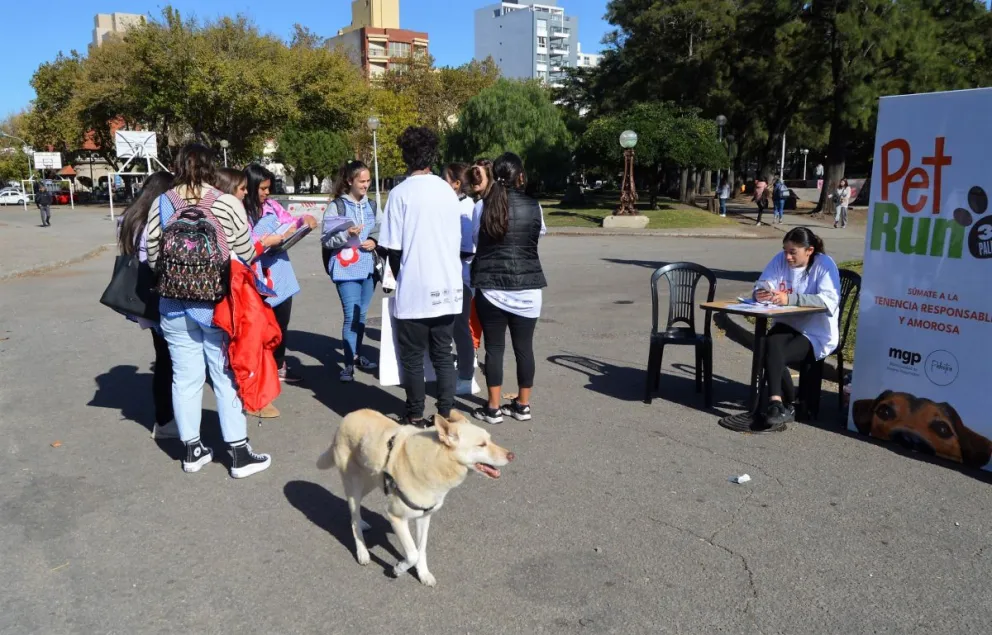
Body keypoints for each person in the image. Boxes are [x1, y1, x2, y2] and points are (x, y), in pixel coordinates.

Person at [145, 143, 272, 478]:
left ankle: (192, 450)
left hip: (172, 303)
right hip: (217, 305)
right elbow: (246, 251)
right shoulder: (226, 202)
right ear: (210, 167)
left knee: (184, 377)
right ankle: (239, 453)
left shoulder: (163, 202)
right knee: (224, 374)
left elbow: (155, 256)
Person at [378, 126, 463, 427]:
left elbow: (391, 249)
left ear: (405, 157)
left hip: (415, 288)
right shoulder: (448, 191)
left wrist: (392, 284)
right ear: (432, 156)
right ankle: (446, 411)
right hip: (448, 286)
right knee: (443, 352)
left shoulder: (400, 194)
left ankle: (414, 413)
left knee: (412, 356)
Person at [471, 152, 547, 425]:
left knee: (494, 348)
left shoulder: (482, 207)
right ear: (521, 176)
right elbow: (537, 235)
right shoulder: (534, 206)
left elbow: (473, 241)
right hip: (528, 288)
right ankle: (523, 405)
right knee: (524, 348)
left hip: (491, 288)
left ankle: (493, 408)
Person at [753, 227, 840, 427]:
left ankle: (784, 400)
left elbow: (829, 301)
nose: (788, 257)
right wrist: (760, 293)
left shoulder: (824, 265)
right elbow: (763, 283)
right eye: (785, 251)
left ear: (809, 251)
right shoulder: (779, 260)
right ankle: (777, 401)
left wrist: (790, 298)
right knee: (769, 341)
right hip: (787, 323)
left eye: (793, 252)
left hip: (815, 332)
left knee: (773, 348)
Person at [244, 164, 318, 386]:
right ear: (249, 187)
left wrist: (305, 221)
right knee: (256, 327)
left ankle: (278, 365)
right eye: (262, 188)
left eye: (268, 188)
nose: (267, 193)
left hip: (280, 275)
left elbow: (290, 222)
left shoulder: (273, 206)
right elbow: (241, 246)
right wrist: (265, 242)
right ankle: (256, 370)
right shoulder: (240, 212)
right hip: (255, 276)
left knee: (280, 325)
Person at [117, 171, 176, 439]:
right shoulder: (156, 220)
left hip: (145, 296)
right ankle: (165, 420)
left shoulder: (131, 217)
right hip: (160, 296)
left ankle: (167, 418)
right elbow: (152, 259)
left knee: (164, 358)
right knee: (168, 362)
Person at [322, 160, 380, 383]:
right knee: (351, 316)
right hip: (346, 269)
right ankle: (347, 364)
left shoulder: (373, 205)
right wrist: (347, 235)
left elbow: (380, 228)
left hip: (368, 268)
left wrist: (374, 240)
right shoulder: (337, 206)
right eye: (362, 181)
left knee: (362, 315)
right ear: (349, 181)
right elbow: (326, 240)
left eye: (368, 181)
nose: (366, 185)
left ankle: (357, 354)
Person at [442, 162, 480, 395]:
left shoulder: (466, 207)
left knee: (460, 327)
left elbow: (468, 248)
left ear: (456, 184)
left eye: (444, 178)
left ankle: (467, 377)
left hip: (461, 277)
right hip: (451, 275)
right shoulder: (453, 204)